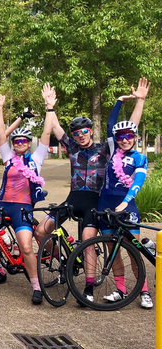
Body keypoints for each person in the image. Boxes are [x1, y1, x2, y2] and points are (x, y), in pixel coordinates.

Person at [32, 83, 115, 303]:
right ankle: (64, 259)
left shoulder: (104, 149)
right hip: (73, 198)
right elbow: (56, 127)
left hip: (94, 201)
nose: (80, 135)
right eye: (77, 133)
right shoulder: (72, 148)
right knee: (41, 231)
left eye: (84, 131)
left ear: (91, 131)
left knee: (88, 239)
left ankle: (87, 289)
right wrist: (49, 107)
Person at [96, 78, 151, 308]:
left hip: (126, 205)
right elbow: (111, 125)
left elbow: (137, 182)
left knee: (134, 249)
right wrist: (119, 101)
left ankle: (144, 291)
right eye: (121, 137)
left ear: (135, 137)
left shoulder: (139, 157)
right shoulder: (113, 151)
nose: (125, 139)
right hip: (105, 202)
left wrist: (126, 202)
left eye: (129, 136)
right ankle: (120, 289)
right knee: (112, 247)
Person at [0, 94, 53, 304]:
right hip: (2, 205)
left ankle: (36, 287)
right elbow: (1, 133)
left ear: (29, 144)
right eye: (16, 141)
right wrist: (0, 108)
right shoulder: (8, 156)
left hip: (22, 208)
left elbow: (46, 132)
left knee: (27, 248)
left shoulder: (36, 159)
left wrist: (49, 107)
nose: (19, 143)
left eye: (23, 141)